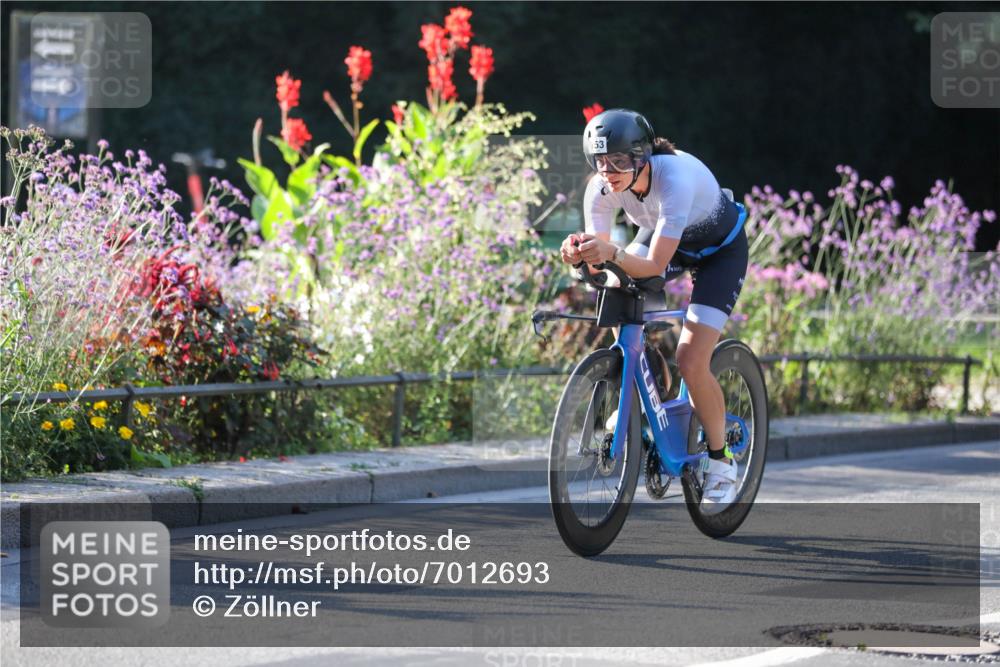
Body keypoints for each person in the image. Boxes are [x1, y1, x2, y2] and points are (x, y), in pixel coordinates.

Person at [559, 108, 749, 514]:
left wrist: (610, 253)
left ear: (642, 157)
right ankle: (640, 379)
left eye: (619, 161)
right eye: (600, 161)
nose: (608, 172)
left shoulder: (673, 178)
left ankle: (720, 460)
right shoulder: (601, 189)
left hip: (719, 253)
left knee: (692, 359)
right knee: (615, 291)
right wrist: (579, 256)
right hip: (672, 240)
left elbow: (653, 268)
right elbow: (602, 266)